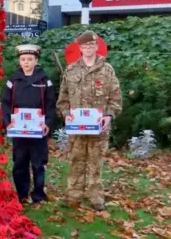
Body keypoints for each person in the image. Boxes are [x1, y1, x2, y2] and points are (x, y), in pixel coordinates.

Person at [56, 30, 123, 211]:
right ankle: (73, 194)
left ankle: (95, 196)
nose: (88, 48)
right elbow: (63, 98)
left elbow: (115, 98)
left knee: (95, 162)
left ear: (96, 46)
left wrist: (109, 116)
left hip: (98, 128)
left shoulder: (107, 70)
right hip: (77, 128)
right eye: (85, 45)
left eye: (92, 45)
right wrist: (66, 113)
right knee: (76, 160)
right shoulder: (71, 70)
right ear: (80, 47)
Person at [1, 44, 57, 204]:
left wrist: (48, 124)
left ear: (36, 60)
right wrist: (7, 122)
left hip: (38, 130)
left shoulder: (45, 81)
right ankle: (22, 194)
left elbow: (50, 104)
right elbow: (5, 103)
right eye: (23, 59)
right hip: (18, 130)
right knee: (20, 162)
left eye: (30, 59)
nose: (26, 62)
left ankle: (38, 194)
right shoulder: (12, 81)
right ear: (19, 61)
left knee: (38, 163)